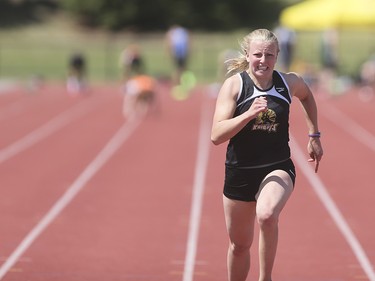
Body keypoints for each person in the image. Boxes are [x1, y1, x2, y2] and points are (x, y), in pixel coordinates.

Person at [210, 29, 323, 281]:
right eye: (258, 55)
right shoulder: (235, 86)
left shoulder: (288, 82)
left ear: (277, 56)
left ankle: (265, 278)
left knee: (267, 214)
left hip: (278, 166)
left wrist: (314, 135)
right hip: (240, 172)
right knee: (239, 246)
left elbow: (306, 95)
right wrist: (248, 114)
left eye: (269, 55)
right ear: (247, 55)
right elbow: (216, 135)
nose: (263, 60)